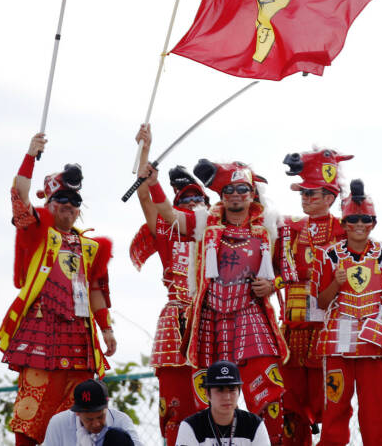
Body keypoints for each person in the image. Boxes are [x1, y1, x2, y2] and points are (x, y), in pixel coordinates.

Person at [153, 159, 287, 445]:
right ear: (220, 195)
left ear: (252, 192)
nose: (235, 194)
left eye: (242, 188)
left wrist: (272, 285)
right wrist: (152, 182)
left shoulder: (270, 226)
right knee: (211, 397)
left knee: (269, 397)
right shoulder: (204, 224)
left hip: (251, 317)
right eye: (228, 189)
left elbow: (290, 273)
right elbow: (168, 214)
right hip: (211, 319)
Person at [0, 133, 116, 446]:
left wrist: (106, 330)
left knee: (78, 418)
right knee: (31, 411)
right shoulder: (37, 231)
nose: (68, 205)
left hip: (79, 339)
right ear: (49, 204)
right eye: (61, 199)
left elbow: (96, 291)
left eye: (75, 201)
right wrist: (30, 156)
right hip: (41, 332)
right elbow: (20, 196)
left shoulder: (90, 247)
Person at [311, 179, 382, 446]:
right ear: (343, 224)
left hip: (374, 338)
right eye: (352, 219)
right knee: (335, 408)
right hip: (337, 339)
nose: (359, 224)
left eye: (365, 219)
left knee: (379, 410)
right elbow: (320, 303)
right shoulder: (327, 256)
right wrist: (337, 282)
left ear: (373, 223)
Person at [130, 124, 210, 446]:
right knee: (174, 409)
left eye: (198, 197)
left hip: (208, 319)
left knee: (212, 402)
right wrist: (145, 150)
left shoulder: (216, 231)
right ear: (176, 205)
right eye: (186, 198)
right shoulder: (166, 230)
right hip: (175, 323)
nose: (193, 203)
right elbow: (144, 193)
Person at [276, 147, 352, 444]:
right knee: (290, 405)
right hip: (294, 328)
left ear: (330, 198)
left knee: (331, 403)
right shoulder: (290, 229)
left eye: (313, 194)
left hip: (330, 328)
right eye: (303, 194)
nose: (306, 200)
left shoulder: (345, 230)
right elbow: (279, 271)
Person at [176, 360, 272, 446]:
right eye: (220, 390)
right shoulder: (190, 426)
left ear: (239, 392)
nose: (227, 397)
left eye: (232, 390)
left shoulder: (254, 424)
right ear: (207, 394)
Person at [42, 378, 144, 446]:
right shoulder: (59, 423)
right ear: (77, 413)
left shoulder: (121, 421)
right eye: (89, 419)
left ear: (107, 407)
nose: (96, 424)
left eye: (100, 417)